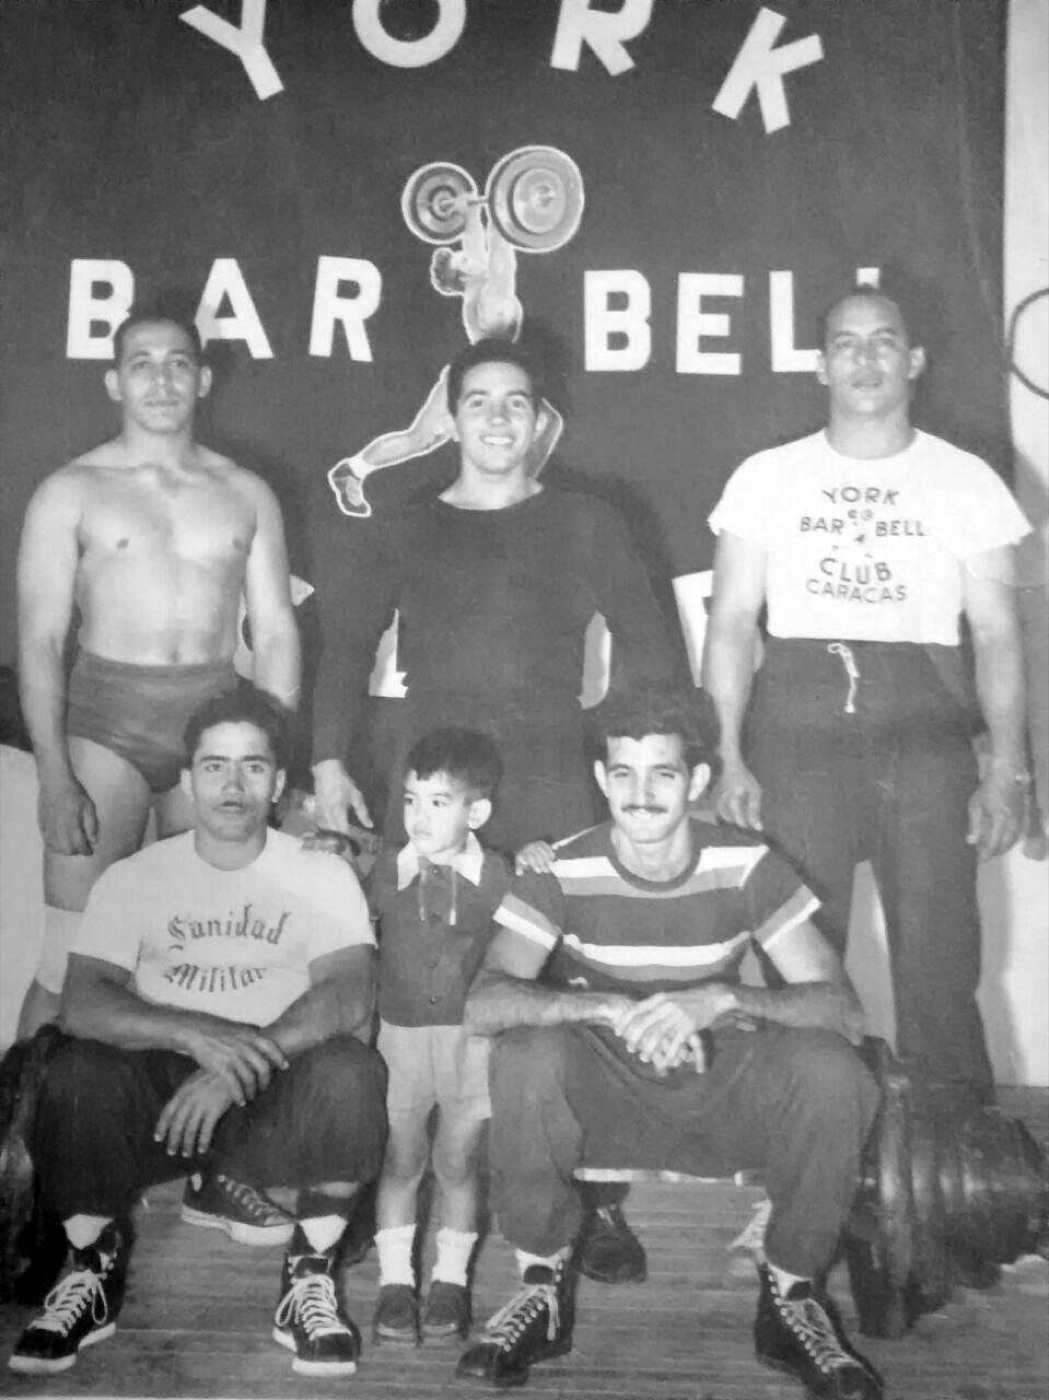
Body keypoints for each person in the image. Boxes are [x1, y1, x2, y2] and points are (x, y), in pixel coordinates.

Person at [312, 334, 685, 1283]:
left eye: (516, 401)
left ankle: (587, 1199)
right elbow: (346, 647)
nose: (497, 418)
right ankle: (379, 1184)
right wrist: (324, 761)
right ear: (452, 415)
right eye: (478, 400)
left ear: (540, 418)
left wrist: (636, 765)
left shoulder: (589, 521)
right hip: (432, 765)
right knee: (414, 976)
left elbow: (650, 645)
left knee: (558, 974)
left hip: (551, 768)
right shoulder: (400, 523)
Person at [452, 687, 882, 1399]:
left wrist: (721, 997)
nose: (641, 794)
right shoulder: (561, 867)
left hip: (716, 1080)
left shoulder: (746, 864)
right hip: (606, 1090)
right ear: (600, 779)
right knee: (524, 1053)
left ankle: (790, 1294)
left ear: (699, 781)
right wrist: (606, 1008)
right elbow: (484, 1001)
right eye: (622, 773)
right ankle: (541, 1284)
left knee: (833, 1070)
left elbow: (839, 1009)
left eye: (663, 774)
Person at [703, 281, 1032, 1103]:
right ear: (819, 365)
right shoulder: (767, 476)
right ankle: (795, 1197)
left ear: (913, 359)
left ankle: (959, 1199)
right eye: (845, 343)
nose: (863, 357)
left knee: (938, 963)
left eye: (882, 340)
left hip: (922, 739)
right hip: (798, 737)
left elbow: (994, 633)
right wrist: (726, 753)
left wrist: (1006, 770)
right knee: (795, 963)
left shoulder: (965, 480)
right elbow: (733, 625)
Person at [7, 687, 386, 1379]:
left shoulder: (320, 872)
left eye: (252, 767)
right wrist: (199, 1038)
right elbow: (85, 1003)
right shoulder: (135, 877)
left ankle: (308, 1274)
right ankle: (93, 1269)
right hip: (164, 1098)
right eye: (214, 767)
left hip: (275, 1089)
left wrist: (237, 1062)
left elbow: (349, 992)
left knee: (351, 1073)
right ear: (187, 782)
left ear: (277, 783)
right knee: (73, 1068)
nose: (232, 785)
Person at [16, 297, 301, 1044]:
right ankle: (17, 1145)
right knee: (65, 959)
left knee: (194, 955)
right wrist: (53, 775)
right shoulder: (69, 490)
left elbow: (273, 632)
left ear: (203, 380)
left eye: (178, 363)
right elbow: (41, 640)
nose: (161, 380)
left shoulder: (245, 493)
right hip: (103, 726)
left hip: (210, 725)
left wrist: (266, 761)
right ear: (115, 382)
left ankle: (174, 1149)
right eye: (141, 364)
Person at [369, 728, 512, 1346]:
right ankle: (396, 1283)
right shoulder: (383, 870)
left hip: (468, 1041)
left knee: (456, 1161)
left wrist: (536, 858)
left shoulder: (502, 876)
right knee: (401, 1160)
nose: (418, 816)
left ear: (476, 811)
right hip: (398, 1039)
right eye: (409, 800)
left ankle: (451, 1279)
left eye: (437, 802)